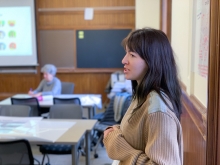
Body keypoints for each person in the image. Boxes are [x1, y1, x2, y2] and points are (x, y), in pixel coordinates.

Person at [103, 28, 183, 165]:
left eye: (132, 55)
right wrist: (116, 131)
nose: (124, 60)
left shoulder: (157, 108)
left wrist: (115, 142)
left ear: (152, 61)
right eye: (126, 53)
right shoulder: (142, 94)